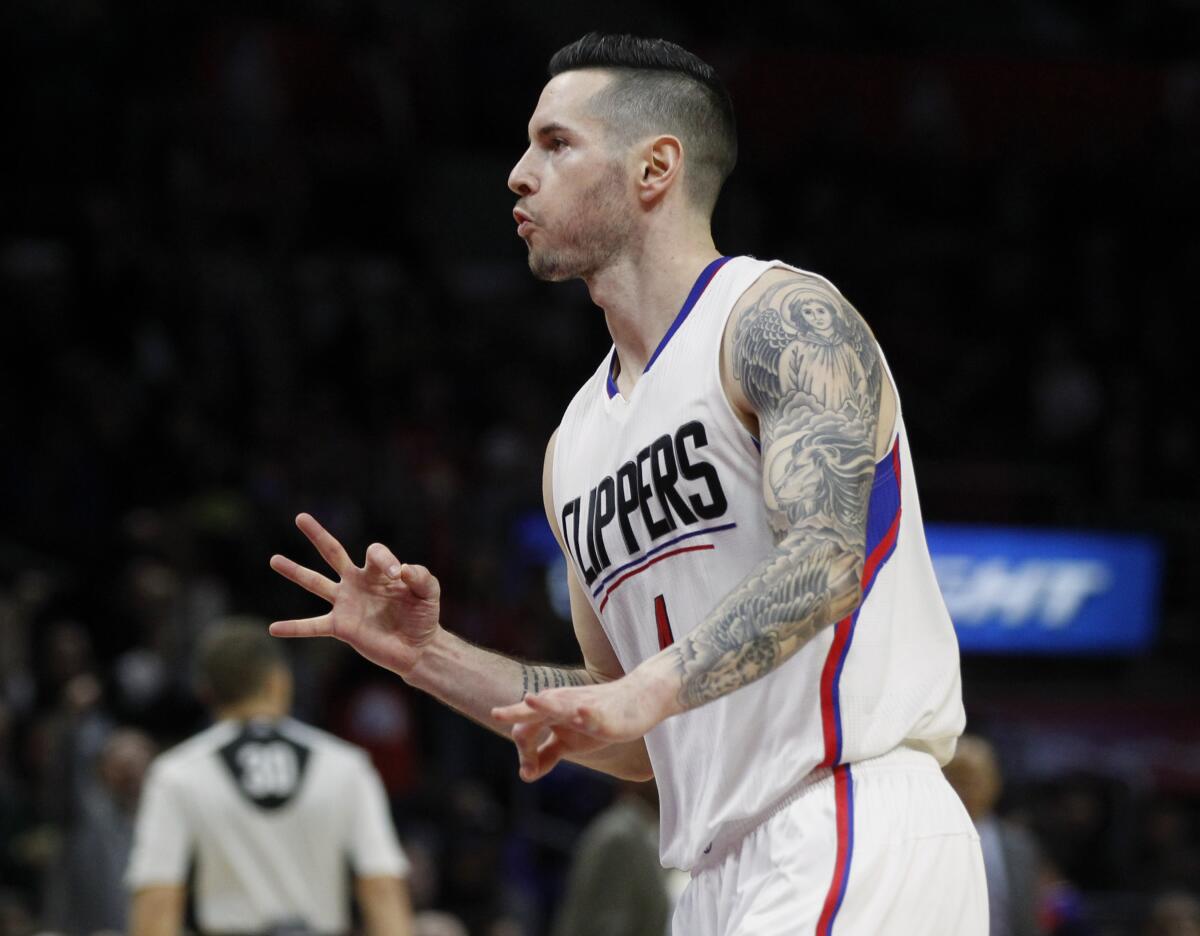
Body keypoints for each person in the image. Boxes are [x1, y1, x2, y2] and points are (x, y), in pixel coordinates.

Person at [269, 33, 986, 934]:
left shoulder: (776, 317)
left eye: (556, 143)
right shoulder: (574, 445)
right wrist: (428, 657)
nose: (519, 175)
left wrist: (640, 690)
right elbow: (635, 745)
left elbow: (830, 558)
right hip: (712, 868)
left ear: (656, 168)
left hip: (848, 815)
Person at [126, 621, 414, 936]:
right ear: (278, 681)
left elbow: (157, 900)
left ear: (205, 693)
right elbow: (381, 889)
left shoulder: (178, 772)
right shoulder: (345, 765)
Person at [944, 734, 1044, 936]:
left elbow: (1029, 914)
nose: (966, 790)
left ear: (994, 783)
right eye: (958, 780)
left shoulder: (1019, 843)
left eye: (973, 780)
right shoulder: (929, 842)